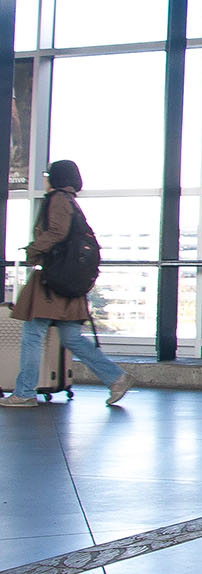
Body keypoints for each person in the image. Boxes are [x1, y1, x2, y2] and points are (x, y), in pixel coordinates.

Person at [1, 160, 131, 408]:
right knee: (72, 337)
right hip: (70, 284)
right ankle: (116, 378)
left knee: (32, 334)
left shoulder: (57, 199)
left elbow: (56, 233)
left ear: (56, 177)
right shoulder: (72, 202)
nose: (45, 178)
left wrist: (32, 250)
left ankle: (25, 392)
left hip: (52, 283)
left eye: (47, 174)